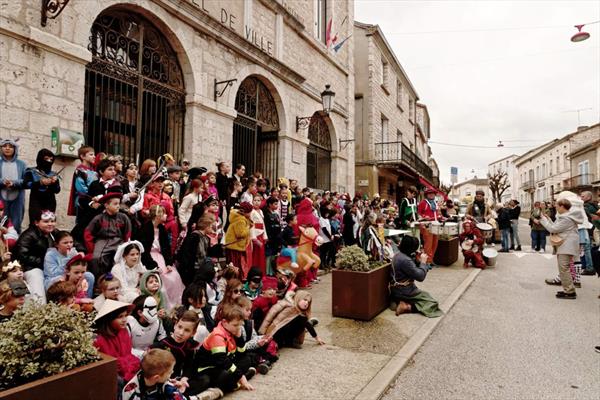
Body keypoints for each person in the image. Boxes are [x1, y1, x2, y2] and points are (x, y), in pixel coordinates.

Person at [195, 304, 256, 393]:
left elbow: (242, 353)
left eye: (240, 325)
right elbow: (222, 361)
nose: (238, 328)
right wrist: (241, 376)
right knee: (225, 375)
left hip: (221, 365)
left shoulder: (232, 330)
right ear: (224, 322)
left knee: (246, 360)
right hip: (207, 368)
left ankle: (235, 381)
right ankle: (237, 381)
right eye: (235, 325)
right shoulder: (217, 336)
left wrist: (239, 338)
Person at [137, 205, 185, 311]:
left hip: (160, 256)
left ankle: (176, 304)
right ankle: (165, 306)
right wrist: (153, 265)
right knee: (162, 277)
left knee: (174, 276)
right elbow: (144, 250)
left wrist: (168, 262)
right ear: (157, 215)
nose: (165, 215)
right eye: (163, 213)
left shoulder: (161, 228)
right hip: (150, 257)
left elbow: (166, 247)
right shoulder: (146, 228)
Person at [534, 199, 582, 299]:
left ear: (562, 206)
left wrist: (542, 219)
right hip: (567, 245)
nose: (555, 207)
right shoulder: (566, 216)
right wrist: (548, 219)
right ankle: (568, 289)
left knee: (564, 268)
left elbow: (553, 229)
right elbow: (556, 226)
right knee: (564, 268)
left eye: (557, 205)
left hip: (567, 246)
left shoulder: (566, 218)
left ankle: (569, 292)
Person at [389, 235, 443, 317]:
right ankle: (407, 307)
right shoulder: (406, 260)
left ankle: (398, 302)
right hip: (405, 291)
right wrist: (423, 262)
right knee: (432, 302)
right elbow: (420, 277)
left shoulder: (398, 255)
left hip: (396, 289)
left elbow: (410, 269)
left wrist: (417, 260)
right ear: (411, 249)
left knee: (422, 297)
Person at [15, 210, 59, 303]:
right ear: (36, 223)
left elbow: (69, 240)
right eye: (46, 221)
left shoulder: (55, 232)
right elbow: (22, 255)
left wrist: (81, 251)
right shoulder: (28, 235)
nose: (50, 224)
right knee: (36, 279)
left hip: (50, 267)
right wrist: (43, 262)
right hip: (31, 267)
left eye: (52, 221)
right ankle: (38, 310)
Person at [84, 192, 132, 277]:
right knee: (96, 258)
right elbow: (88, 233)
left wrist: (125, 246)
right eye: (115, 204)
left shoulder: (123, 217)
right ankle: (99, 280)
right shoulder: (99, 218)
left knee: (118, 259)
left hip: (118, 241)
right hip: (102, 241)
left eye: (119, 203)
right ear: (106, 205)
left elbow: (127, 233)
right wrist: (92, 249)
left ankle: (117, 280)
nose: (118, 206)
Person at [93, 299, 140, 384]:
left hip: (126, 368)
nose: (124, 319)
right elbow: (106, 365)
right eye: (120, 317)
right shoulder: (99, 340)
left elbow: (128, 354)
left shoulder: (123, 331)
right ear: (109, 319)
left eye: (125, 315)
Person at [258, 290, 324, 349]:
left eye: (308, 302)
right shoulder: (286, 304)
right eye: (304, 300)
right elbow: (270, 315)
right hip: (275, 331)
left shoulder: (302, 314)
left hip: (285, 334)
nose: (306, 303)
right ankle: (283, 342)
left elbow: (306, 324)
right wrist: (262, 331)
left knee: (303, 319)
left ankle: (289, 341)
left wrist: (317, 338)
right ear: (298, 298)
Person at [122, 348, 189, 400]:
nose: (172, 372)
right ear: (156, 377)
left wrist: (176, 391)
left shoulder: (164, 382)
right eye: (169, 372)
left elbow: (178, 397)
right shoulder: (131, 392)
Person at [44, 230, 94, 297]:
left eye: (71, 242)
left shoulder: (73, 251)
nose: (69, 245)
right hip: (54, 279)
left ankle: (86, 298)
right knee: (60, 279)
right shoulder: (50, 255)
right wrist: (67, 260)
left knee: (89, 275)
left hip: (71, 275)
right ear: (56, 244)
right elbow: (52, 273)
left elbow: (79, 268)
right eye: (65, 243)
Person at [24, 149, 60, 222]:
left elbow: (57, 190)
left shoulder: (53, 174)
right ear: (40, 158)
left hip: (50, 201)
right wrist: (40, 182)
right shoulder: (31, 171)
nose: (49, 161)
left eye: (51, 159)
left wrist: (54, 183)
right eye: (46, 159)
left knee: (49, 222)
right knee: (35, 222)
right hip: (36, 200)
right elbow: (26, 184)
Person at [127, 294, 167, 359]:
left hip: (151, 355)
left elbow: (163, 338)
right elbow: (124, 348)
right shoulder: (129, 323)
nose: (155, 312)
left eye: (155, 307)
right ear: (140, 312)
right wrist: (142, 353)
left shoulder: (157, 322)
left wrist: (157, 349)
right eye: (151, 308)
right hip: (132, 357)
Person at [0, 138, 27, 233]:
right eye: (4, 146)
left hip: (17, 197)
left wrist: (14, 183)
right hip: (1, 197)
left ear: (15, 149)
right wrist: (2, 182)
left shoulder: (22, 164)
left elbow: (26, 181)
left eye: (10, 146)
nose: (7, 148)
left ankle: (15, 244)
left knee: (16, 223)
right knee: (2, 222)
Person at [224, 202, 253, 279]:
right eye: (250, 212)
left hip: (234, 246)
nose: (250, 214)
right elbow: (241, 234)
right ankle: (235, 280)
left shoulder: (239, 218)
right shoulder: (240, 220)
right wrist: (248, 227)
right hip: (235, 247)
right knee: (236, 265)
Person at [417, 188, 442, 268]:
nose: (431, 195)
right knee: (428, 243)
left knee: (435, 243)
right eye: (429, 193)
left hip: (436, 224)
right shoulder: (423, 203)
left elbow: (438, 213)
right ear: (426, 195)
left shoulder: (436, 203)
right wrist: (424, 217)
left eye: (433, 193)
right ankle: (427, 262)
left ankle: (431, 260)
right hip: (427, 225)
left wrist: (440, 217)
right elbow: (418, 214)